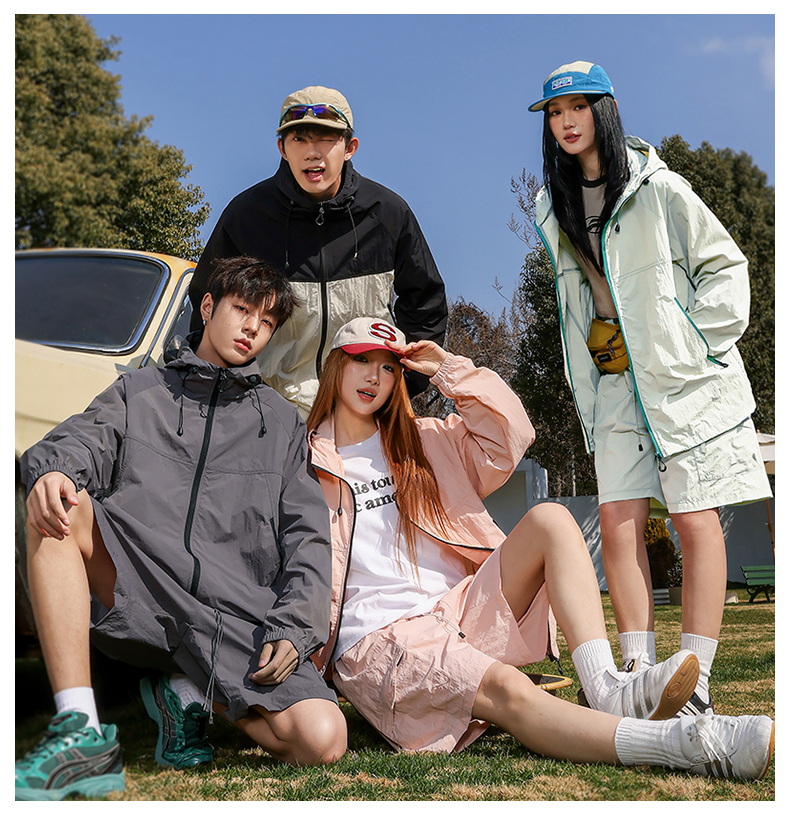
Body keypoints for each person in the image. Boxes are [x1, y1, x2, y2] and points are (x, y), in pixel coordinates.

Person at [303, 316, 774, 778]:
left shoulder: (425, 440)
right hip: (380, 637)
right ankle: (691, 744)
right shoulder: (304, 459)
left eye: (388, 367)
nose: (374, 376)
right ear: (335, 366)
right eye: (361, 360)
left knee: (551, 519)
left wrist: (448, 368)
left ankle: (605, 688)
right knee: (507, 688)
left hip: (457, 610)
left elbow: (511, 436)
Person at [15, 257, 347, 801]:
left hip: (231, 615)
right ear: (208, 307)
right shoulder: (140, 390)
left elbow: (308, 539)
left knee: (323, 738)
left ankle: (187, 692)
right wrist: (56, 470)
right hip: (139, 581)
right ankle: (80, 732)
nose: (252, 328)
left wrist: (294, 627)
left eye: (266, 322)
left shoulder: (283, 424)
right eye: (241, 310)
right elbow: (81, 439)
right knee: (59, 504)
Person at [528, 61, 772, 713]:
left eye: (578, 108)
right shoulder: (555, 204)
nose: (566, 122)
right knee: (616, 520)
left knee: (694, 517)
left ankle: (697, 682)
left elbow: (726, 266)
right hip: (614, 378)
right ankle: (639, 674)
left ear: (604, 110)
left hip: (683, 378)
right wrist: (596, 342)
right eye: (555, 113)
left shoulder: (659, 187)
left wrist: (692, 343)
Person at [188, 85, 448, 419]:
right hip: (266, 413)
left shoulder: (388, 213)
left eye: (326, 139)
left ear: (350, 147)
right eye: (299, 139)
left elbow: (426, 302)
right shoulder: (247, 215)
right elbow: (208, 307)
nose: (312, 153)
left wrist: (400, 385)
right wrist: (222, 388)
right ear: (282, 148)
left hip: (366, 413)